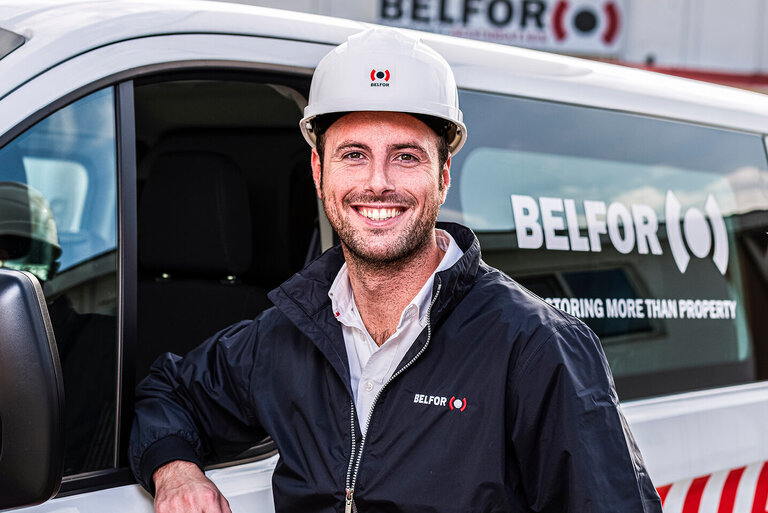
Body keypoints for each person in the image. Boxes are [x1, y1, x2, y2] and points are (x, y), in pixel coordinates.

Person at [129, 28, 661, 512]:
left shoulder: (535, 347)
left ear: (443, 174)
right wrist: (175, 470)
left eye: (405, 156)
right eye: (354, 155)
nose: (377, 183)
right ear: (319, 171)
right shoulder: (290, 332)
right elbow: (169, 390)